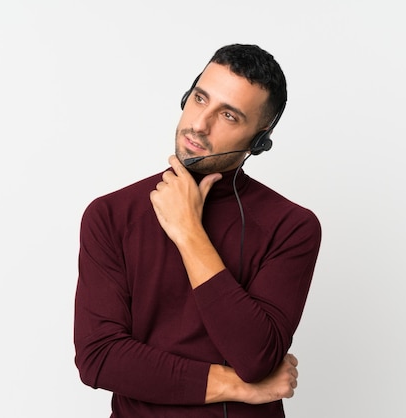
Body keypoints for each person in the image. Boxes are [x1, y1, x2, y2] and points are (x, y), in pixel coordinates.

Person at [74, 43, 321, 417]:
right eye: (200, 98)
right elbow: (100, 357)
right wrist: (237, 386)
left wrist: (189, 232)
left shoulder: (292, 227)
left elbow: (256, 357)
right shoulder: (110, 215)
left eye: (229, 116)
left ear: (260, 139)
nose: (200, 124)